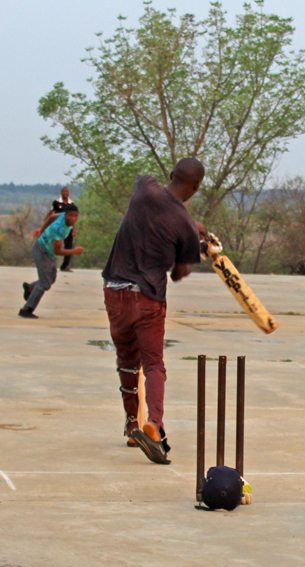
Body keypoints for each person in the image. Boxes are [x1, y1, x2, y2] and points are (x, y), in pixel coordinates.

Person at [102, 158, 206, 464]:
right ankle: (155, 426)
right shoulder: (185, 225)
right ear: (196, 187)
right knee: (154, 365)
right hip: (148, 297)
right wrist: (193, 238)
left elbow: (157, 205)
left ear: (172, 175)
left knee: (126, 359)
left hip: (114, 290)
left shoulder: (144, 188)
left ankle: (132, 422)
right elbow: (178, 273)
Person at [19, 205, 82, 319]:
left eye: (75, 216)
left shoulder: (62, 216)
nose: (73, 219)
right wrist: (74, 251)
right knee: (45, 284)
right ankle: (27, 309)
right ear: (66, 215)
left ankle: (30, 288)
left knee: (51, 278)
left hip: (49, 252)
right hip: (41, 251)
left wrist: (42, 230)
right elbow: (58, 251)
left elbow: (51, 217)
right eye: (71, 216)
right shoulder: (59, 229)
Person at [51, 186, 76, 272]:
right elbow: (52, 214)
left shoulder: (71, 204)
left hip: (68, 227)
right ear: (61, 193)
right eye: (64, 192)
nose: (65, 193)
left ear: (69, 193)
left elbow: (74, 217)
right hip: (58, 227)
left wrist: (74, 229)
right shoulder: (56, 203)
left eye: (67, 192)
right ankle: (50, 264)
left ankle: (65, 265)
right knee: (54, 245)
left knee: (68, 246)